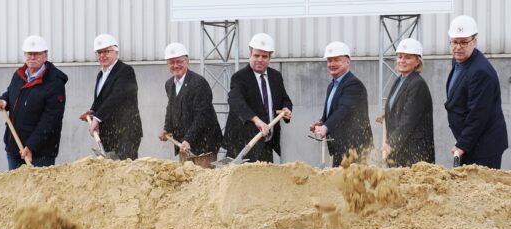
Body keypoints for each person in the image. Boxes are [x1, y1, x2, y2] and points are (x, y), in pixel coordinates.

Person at [0, 35, 67, 170]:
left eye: (37, 54)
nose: (32, 57)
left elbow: (51, 120)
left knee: (39, 190)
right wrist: (3, 100)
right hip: (15, 147)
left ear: (45, 56)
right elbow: (11, 93)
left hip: (39, 153)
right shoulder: (19, 74)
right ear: (24, 55)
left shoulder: (54, 83)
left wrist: (31, 146)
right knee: (16, 189)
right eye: (29, 53)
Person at [445, 15, 508, 169]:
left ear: (474, 41)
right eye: (454, 41)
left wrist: (462, 145)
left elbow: (478, 115)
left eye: (464, 42)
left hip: (484, 146)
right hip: (472, 141)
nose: (458, 47)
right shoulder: (459, 62)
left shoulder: (480, 72)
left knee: (482, 191)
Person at [222, 33, 293, 163]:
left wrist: (286, 109)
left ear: (270, 58)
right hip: (243, 144)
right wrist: (256, 120)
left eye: (264, 56)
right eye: (256, 55)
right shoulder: (240, 77)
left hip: (266, 144)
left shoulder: (275, 77)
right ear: (250, 55)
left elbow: (285, 99)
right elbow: (235, 100)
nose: (260, 59)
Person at [158, 43, 223, 168]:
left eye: (179, 61)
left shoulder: (199, 83)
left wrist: (189, 139)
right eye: (172, 62)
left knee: (203, 180)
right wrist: (167, 128)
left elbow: (202, 115)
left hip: (205, 144)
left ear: (187, 61)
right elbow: (171, 108)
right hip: (184, 144)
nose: (176, 65)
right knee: (187, 179)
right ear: (167, 64)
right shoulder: (169, 84)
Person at [79, 34, 143, 160]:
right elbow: (101, 100)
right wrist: (92, 112)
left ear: (116, 53)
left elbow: (117, 97)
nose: (102, 55)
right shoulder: (101, 75)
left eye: (106, 51)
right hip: (108, 133)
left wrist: (97, 118)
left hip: (126, 132)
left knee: (125, 172)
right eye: (99, 52)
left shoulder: (125, 71)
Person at [310, 41, 373, 167]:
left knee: (353, 185)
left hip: (355, 148)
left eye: (336, 60)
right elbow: (335, 111)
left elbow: (344, 109)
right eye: (329, 61)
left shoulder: (353, 84)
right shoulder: (332, 86)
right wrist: (323, 122)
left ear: (348, 61)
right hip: (340, 147)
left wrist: (325, 127)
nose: (332, 64)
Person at [375, 38, 434, 167]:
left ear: (417, 61)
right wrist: (388, 114)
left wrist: (391, 143)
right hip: (400, 152)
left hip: (414, 155)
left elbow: (409, 120)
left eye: (407, 57)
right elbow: (401, 106)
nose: (402, 61)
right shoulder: (400, 80)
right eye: (400, 57)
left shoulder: (417, 84)